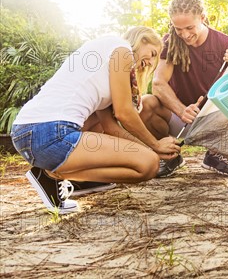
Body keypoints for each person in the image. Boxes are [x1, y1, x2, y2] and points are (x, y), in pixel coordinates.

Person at [11, 27, 181, 214]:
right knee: (148, 164)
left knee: (147, 160)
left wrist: (148, 149)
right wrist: (156, 145)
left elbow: (110, 127)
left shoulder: (105, 59)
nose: (150, 62)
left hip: (25, 133)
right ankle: (51, 174)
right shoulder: (122, 50)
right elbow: (124, 112)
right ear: (143, 39)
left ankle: (51, 175)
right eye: (152, 53)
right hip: (51, 132)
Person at [140, 0, 228, 177]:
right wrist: (182, 110)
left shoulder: (225, 43)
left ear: (202, 18)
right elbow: (158, 83)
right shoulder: (170, 42)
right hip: (183, 119)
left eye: (189, 27)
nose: (185, 35)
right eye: (178, 29)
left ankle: (214, 155)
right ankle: (169, 156)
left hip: (214, 121)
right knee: (146, 103)